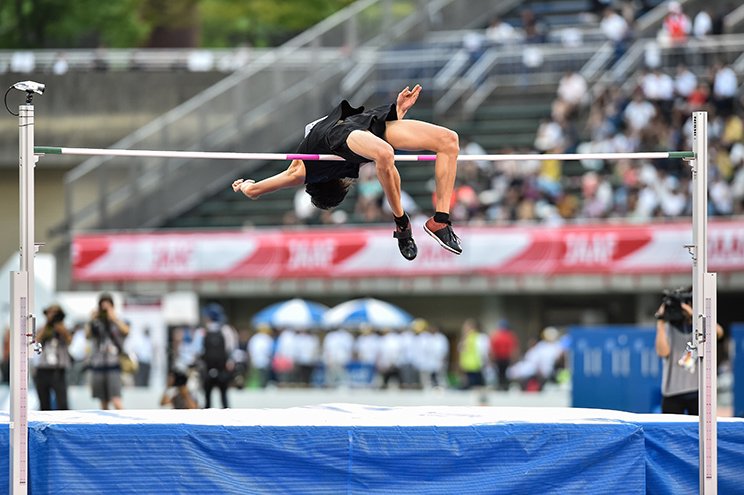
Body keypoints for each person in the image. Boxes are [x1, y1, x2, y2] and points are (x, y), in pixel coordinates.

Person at [232, 84, 462, 260]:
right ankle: (402, 223)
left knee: (449, 141)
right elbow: (253, 191)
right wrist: (246, 185)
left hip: (363, 124)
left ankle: (440, 221)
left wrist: (244, 184)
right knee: (383, 154)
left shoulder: (303, 172)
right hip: (347, 135)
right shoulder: (314, 170)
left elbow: (254, 191)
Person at [655, 288, 723, 414]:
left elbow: (718, 333)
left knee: (698, 432)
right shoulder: (668, 327)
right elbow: (662, 352)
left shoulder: (700, 326)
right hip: (672, 391)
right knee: (671, 432)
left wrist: (694, 315)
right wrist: (660, 322)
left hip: (697, 390)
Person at [86, 293, 130, 410]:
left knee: (116, 400)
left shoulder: (117, 320)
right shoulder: (96, 322)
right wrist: (92, 319)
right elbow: (87, 335)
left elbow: (126, 331)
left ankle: (125, 425)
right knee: (103, 402)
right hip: (99, 364)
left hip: (113, 364)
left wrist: (113, 318)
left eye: (107, 307)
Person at [195, 303, 237, 408]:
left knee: (207, 399)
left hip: (207, 368)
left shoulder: (201, 332)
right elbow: (232, 349)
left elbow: (196, 350)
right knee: (224, 397)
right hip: (223, 368)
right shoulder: (227, 330)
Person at [34, 304, 72, 410]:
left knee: (62, 403)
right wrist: (48, 324)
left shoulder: (63, 328)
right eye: (51, 313)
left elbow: (69, 340)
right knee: (44, 403)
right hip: (43, 369)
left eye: (56, 313)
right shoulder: (42, 328)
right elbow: (36, 340)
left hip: (58, 370)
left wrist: (60, 327)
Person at [489, 319, 519, 391]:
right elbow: (513, 349)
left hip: (499, 358)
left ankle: (500, 385)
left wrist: (491, 359)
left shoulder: (496, 335)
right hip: (506, 358)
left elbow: (492, 349)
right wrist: (514, 359)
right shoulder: (510, 335)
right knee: (505, 373)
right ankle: (505, 385)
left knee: (500, 373)